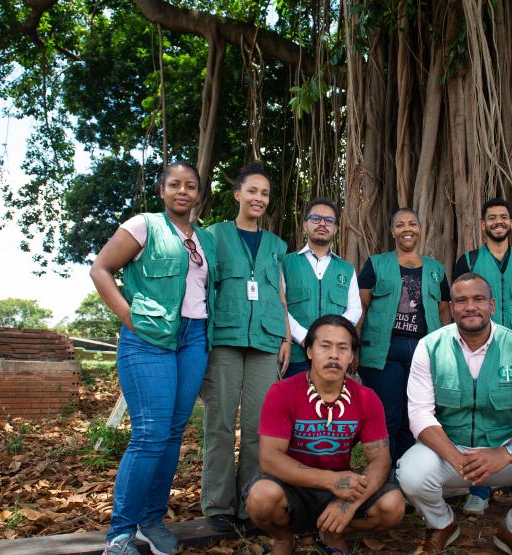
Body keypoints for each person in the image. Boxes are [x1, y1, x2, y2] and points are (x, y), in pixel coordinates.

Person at [397, 273, 512, 555]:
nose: (470, 306)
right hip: (453, 452)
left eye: (478, 299)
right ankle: (441, 524)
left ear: (492, 305)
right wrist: (456, 457)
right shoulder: (430, 347)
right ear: (452, 307)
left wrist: (506, 453)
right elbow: (420, 415)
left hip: (506, 453)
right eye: (461, 300)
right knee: (410, 473)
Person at [91, 161, 216, 555]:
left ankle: (151, 520)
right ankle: (120, 534)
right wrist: (129, 317)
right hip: (150, 339)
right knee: (149, 434)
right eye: (175, 184)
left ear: (199, 194)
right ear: (162, 189)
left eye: (191, 186)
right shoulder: (144, 224)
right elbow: (101, 270)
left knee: (174, 433)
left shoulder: (205, 239)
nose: (183, 191)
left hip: (194, 338)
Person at [244, 315, 405, 554]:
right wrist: (331, 481)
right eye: (325, 346)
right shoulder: (282, 392)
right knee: (261, 498)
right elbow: (269, 459)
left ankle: (331, 530)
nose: (334, 355)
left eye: (343, 348)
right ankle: (284, 538)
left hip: (342, 489)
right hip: (293, 486)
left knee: (393, 506)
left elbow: (381, 461)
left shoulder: (366, 398)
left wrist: (349, 503)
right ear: (309, 351)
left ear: (351, 356)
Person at [199, 160, 292, 533]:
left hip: (267, 341)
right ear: (237, 194)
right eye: (252, 191)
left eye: (265, 193)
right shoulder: (214, 235)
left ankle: (250, 501)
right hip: (224, 335)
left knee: (259, 427)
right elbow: (203, 287)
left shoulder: (277, 245)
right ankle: (218, 504)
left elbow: (280, 294)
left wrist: (286, 337)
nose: (258, 198)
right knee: (220, 422)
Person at [452, 197, 512, 515]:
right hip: (479, 350)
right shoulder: (467, 260)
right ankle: (479, 489)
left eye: (503, 217)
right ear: (482, 224)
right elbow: (457, 308)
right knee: (480, 416)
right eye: (491, 217)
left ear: (511, 222)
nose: (498, 222)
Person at [356, 208, 451, 463]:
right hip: (383, 351)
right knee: (388, 415)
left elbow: (444, 312)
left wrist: (445, 353)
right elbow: (361, 308)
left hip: (423, 351)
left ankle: (404, 476)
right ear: (392, 231)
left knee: (414, 416)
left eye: (412, 224)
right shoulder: (376, 264)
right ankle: (382, 478)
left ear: (420, 229)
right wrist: (353, 348)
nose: (407, 229)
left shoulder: (436, 269)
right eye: (400, 225)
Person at [281, 198, 361, 376]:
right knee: (295, 402)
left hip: (333, 356)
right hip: (295, 355)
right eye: (316, 218)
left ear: (335, 229)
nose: (322, 224)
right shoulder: (286, 263)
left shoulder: (346, 269)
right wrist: (304, 337)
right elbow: (280, 306)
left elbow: (355, 309)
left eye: (329, 220)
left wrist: (331, 335)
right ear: (305, 225)